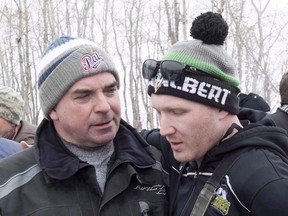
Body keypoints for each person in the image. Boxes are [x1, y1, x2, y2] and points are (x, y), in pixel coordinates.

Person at [0, 36, 168, 215]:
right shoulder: (9, 185)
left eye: (110, 90)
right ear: (52, 110)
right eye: (84, 96)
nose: (104, 106)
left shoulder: (158, 165)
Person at [141, 12, 288, 216]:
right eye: (159, 112)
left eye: (177, 112)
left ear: (221, 107)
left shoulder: (264, 179)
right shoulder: (179, 149)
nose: (165, 129)